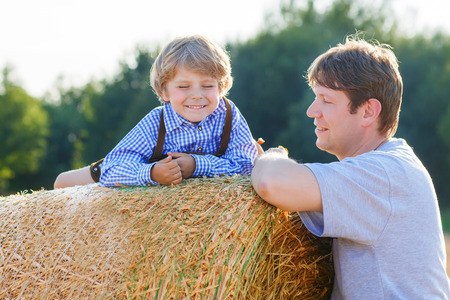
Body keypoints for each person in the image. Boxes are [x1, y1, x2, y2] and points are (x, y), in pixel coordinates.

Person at [251, 35, 450, 299]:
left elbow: (271, 183)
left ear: (368, 111)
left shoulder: (383, 174)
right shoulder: (390, 165)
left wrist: (270, 155)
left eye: (326, 100)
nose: (312, 110)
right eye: (315, 98)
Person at [54, 35, 260, 188]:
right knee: (63, 184)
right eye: (183, 87)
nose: (197, 95)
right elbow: (113, 169)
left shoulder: (229, 115)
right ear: (164, 91)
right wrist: (152, 172)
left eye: (207, 86)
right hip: (139, 164)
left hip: (201, 170)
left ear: (222, 86)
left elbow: (246, 165)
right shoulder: (156, 121)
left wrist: (196, 165)